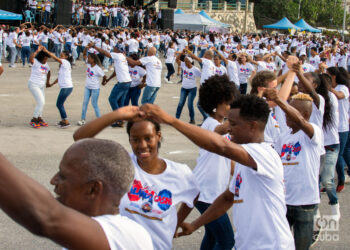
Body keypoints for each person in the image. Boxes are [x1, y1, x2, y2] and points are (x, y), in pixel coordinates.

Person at [140, 95, 295, 250]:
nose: (228, 128)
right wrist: (195, 225)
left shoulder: (265, 153)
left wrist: (170, 120)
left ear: (252, 126)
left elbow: (221, 146)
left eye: (233, 124)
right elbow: (227, 198)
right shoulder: (246, 159)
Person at [73, 106, 200, 250]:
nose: (142, 145)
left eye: (148, 138)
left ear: (158, 136)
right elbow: (79, 138)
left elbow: (193, 195)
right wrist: (117, 114)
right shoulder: (121, 162)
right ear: (129, 139)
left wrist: (176, 223)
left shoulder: (180, 173)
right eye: (135, 139)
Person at [0, 138, 153, 249]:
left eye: (63, 176)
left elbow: (46, 217)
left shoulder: (126, 235)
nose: (53, 181)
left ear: (93, 189)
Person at [269, 89, 323, 250]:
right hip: (284, 201)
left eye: (291, 111)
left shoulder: (313, 133)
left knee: (301, 246)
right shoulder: (283, 137)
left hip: (305, 202)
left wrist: (279, 101)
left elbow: (300, 121)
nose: (286, 115)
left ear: (305, 114)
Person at [190, 74, 238, 249]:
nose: (229, 107)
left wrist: (241, 174)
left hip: (212, 192)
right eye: (226, 103)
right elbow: (220, 129)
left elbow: (228, 160)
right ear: (214, 105)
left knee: (211, 236)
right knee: (227, 241)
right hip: (206, 192)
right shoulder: (210, 124)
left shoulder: (219, 125)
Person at [92, 42, 132, 127]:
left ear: (117, 49)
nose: (113, 48)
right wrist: (108, 80)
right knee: (120, 101)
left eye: (115, 48)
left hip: (123, 82)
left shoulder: (118, 55)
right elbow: (116, 72)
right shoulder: (122, 57)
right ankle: (121, 120)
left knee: (112, 99)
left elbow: (105, 53)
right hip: (127, 82)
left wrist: (94, 46)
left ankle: (119, 120)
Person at [327, 67, 350, 192]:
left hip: (342, 127)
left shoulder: (343, 88)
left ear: (333, 77)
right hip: (334, 127)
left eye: (328, 76)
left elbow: (340, 96)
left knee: (339, 155)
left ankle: (341, 179)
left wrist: (328, 88)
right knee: (343, 152)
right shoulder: (334, 89)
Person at [77, 47, 106, 126]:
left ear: (93, 59)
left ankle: (100, 120)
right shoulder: (89, 64)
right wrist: (86, 48)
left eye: (89, 58)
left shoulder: (97, 68)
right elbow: (84, 55)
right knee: (85, 103)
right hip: (87, 87)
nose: (88, 59)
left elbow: (104, 76)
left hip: (95, 88)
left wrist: (103, 82)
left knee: (94, 104)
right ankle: (83, 119)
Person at [46, 50, 74, 129]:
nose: (60, 57)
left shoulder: (65, 62)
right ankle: (63, 120)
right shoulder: (63, 66)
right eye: (60, 56)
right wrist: (51, 84)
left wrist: (46, 51)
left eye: (62, 56)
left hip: (66, 87)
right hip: (66, 87)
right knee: (60, 104)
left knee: (59, 104)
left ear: (66, 57)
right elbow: (59, 78)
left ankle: (66, 121)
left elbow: (55, 58)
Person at [28, 45, 51, 128]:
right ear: (41, 58)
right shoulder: (36, 62)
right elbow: (30, 59)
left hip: (41, 85)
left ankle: (39, 118)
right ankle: (34, 119)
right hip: (34, 84)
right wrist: (37, 51)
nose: (46, 60)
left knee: (42, 102)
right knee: (41, 102)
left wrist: (48, 82)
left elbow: (49, 72)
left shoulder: (46, 64)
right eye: (45, 59)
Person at [175, 55, 201, 124]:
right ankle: (176, 119)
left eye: (187, 61)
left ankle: (192, 119)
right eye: (185, 61)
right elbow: (177, 60)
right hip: (184, 88)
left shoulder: (195, 69)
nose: (185, 62)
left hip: (192, 89)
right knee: (180, 103)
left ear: (190, 61)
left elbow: (202, 76)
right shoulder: (183, 65)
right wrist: (181, 53)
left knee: (190, 104)